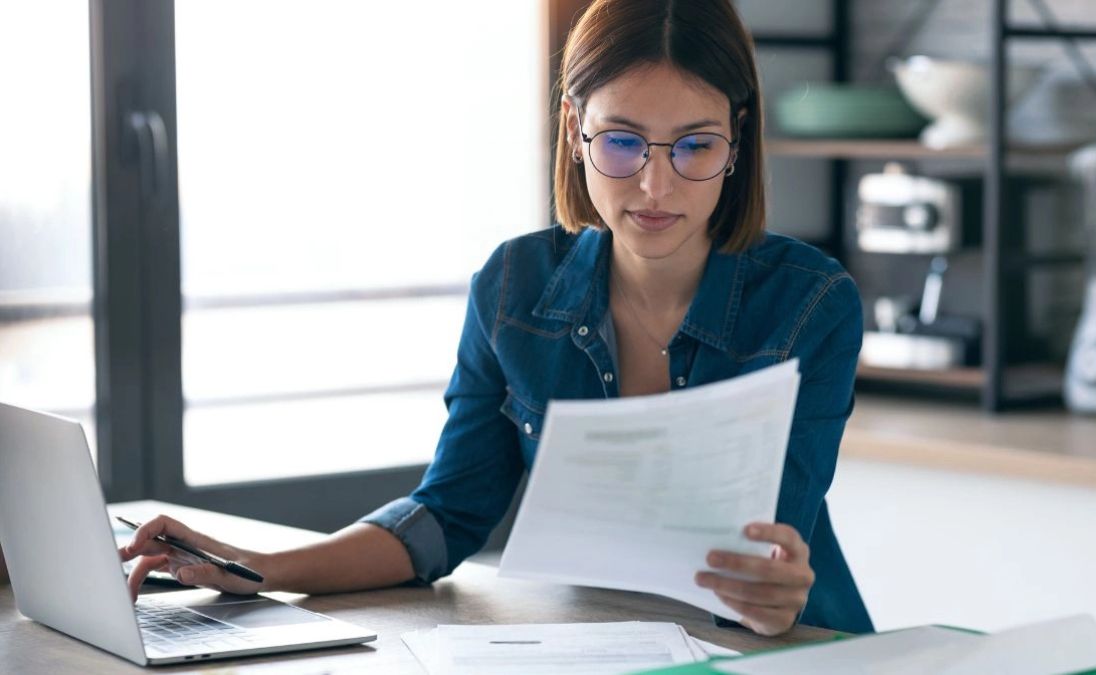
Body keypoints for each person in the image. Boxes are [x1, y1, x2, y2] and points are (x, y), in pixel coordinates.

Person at [120, 0, 873, 637]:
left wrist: (776, 590)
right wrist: (261, 569)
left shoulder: (811, 303)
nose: (654, 184)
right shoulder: (514, 286)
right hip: (600, 644)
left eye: (695, 146)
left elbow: (776, 549)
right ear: (575, 126)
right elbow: (446, 514)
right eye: (621, 141)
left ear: (737, 139)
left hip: (793, 647)